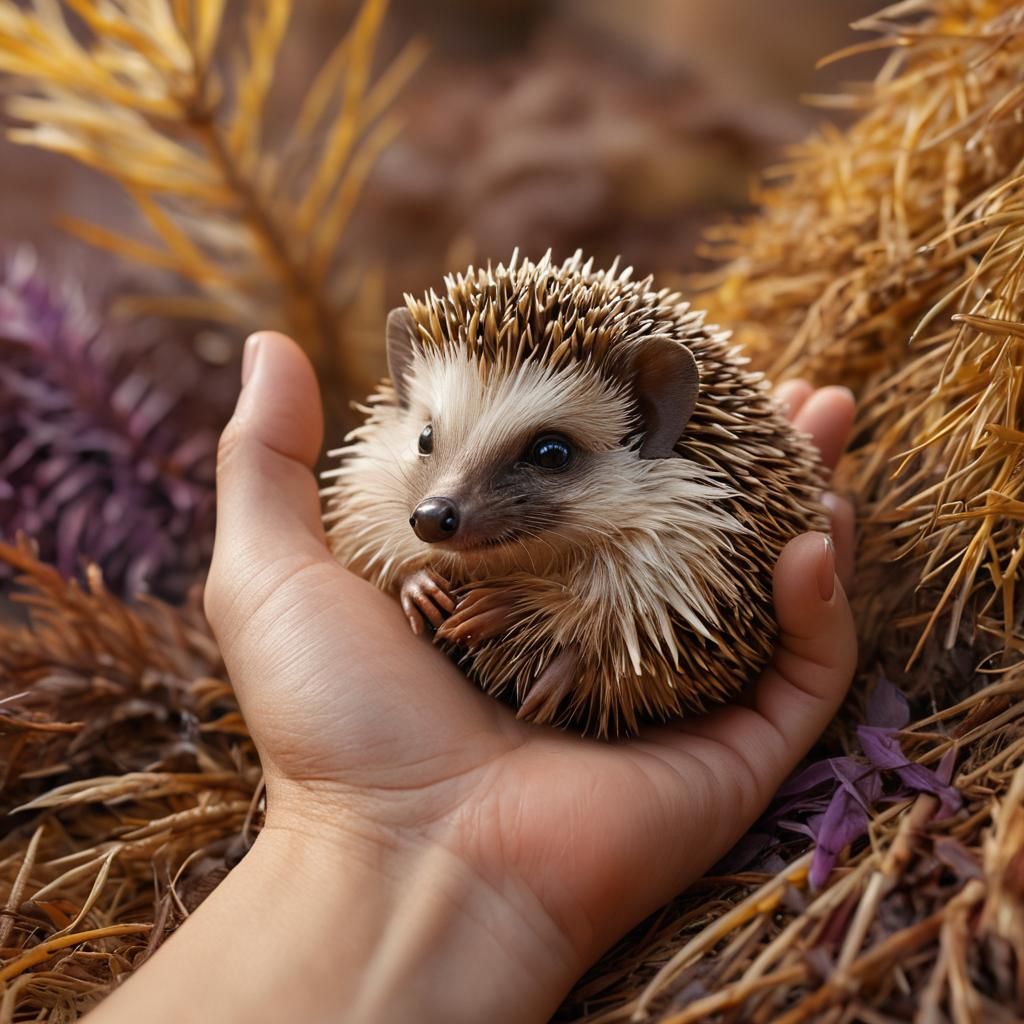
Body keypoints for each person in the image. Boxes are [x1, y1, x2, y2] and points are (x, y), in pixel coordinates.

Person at [89, 331, 856, 1023]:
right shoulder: (409, 508)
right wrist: (403, 582)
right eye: (429, 442)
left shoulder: (682, 541)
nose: (441, 505)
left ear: (652, 424)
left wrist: (575, 650)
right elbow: (376, 537)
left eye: (548, 455)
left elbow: (675, 651)